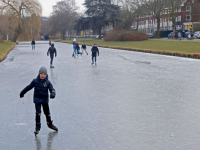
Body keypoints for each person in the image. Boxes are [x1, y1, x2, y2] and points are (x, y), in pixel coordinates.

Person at [19, 66, 58, 136]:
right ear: (39, 73)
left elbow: (52, 88)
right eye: (41, 73)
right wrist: (22, 92)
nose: (42, 75)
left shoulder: (47, 82)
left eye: (44, 74)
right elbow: (29, 87)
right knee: (38, 113)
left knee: (47, 113)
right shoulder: (35, 81)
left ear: (46, 75)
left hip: (45, 100)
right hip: (37, 100)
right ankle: (37, 127)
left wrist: (53, 93)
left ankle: (50, 124)